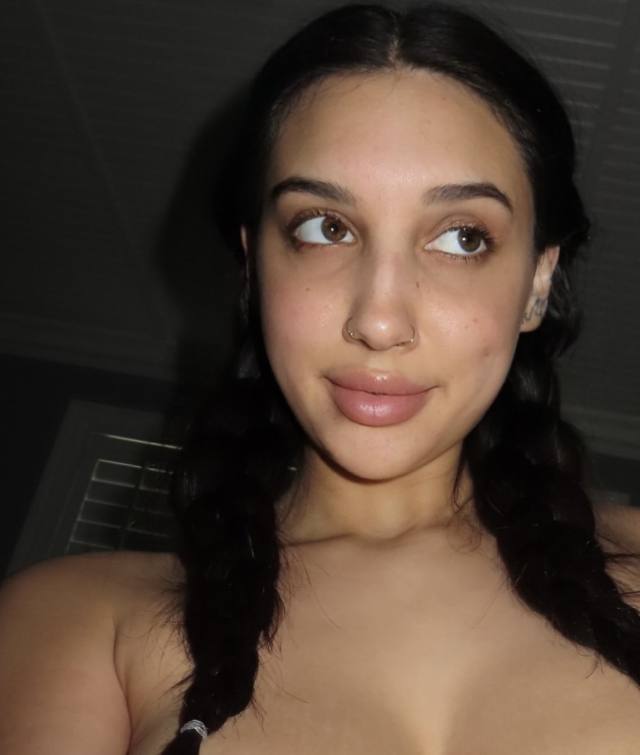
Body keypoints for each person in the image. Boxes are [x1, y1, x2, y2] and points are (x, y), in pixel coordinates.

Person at [1, 4, 640, 754]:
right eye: (325, 228)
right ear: (254, 268)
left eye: (463, 237)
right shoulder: (75, 622)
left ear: (537, 283)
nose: (379, 320)